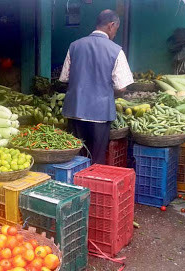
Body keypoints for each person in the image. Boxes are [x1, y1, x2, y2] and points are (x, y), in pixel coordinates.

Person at [59, 9, 134, 164]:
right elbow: (122, 87)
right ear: (111, 25)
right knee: (96, 158)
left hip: (75, 110)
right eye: (116, 30)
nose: (115, 34)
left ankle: (74, 184)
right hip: (100, 114)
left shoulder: (74, 46)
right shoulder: (116, 51)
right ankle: (92, 185)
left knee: (75, 156)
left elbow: (64, 78)